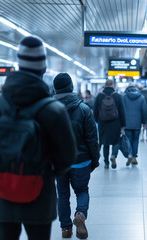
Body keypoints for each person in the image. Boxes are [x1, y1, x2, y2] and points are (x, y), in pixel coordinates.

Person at [0, 36, 76, 240]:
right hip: (39, 193)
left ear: (18, 65)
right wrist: (44, 169)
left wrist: (10, 162)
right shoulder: (54, 111)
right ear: (44, 69)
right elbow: (67, 157)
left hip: (2, 189)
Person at [53, 73, 100, 239]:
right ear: (71, 87)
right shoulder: (84, 109)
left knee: (63, 195)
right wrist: (94, 161)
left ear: (55, 88)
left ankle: (66, 229)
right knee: (81, 190)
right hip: (81, 160)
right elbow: (92, 139)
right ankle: (80, 214)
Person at [94, 80, 126, 169]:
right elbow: (122, 112)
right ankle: (113, 156)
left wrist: (97, 121)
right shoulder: (118, 96)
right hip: (115, 123)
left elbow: (95, 110)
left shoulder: (99, 96)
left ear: (105, 86)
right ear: (113, 85)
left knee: (105, 143)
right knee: (116, 141)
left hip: (102, 123)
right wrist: (123, 125)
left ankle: (106, 163)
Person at [123, 85, 147, 166]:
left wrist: (122, 123)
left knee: (128, 140)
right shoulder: (141, 97)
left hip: (127, 123)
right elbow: (144, 111)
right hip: (137, 123)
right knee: (136, 140)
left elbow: (121, 111)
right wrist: (144, 123)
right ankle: (134, 157)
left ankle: (130, 154)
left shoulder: (124, 97)